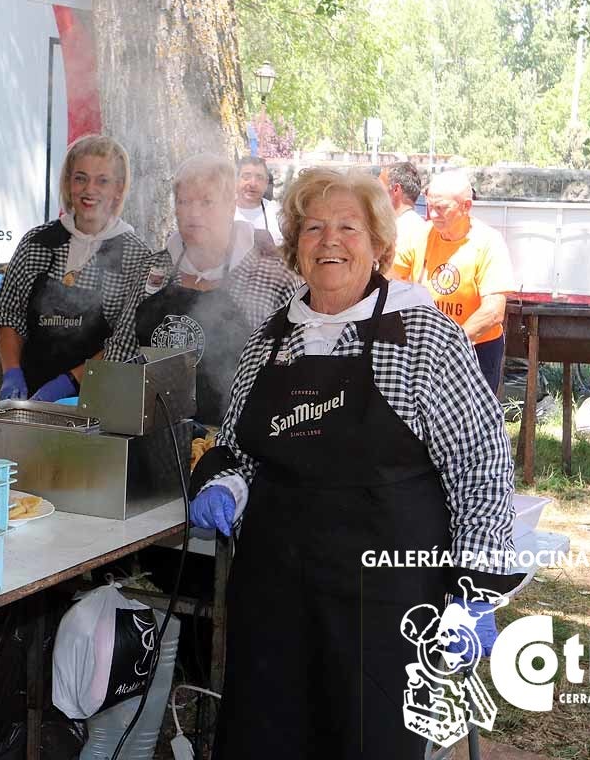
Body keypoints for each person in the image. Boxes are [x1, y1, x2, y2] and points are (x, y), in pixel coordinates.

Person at [188, 168, 520, 758]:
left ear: (379, 246)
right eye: (313, 228)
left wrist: (476, 589)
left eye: (348, 227)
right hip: (275, 599)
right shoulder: (271, 339)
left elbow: (480, 465)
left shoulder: (423, 335)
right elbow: (239, 446)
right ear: (294, 247)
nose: (330, 240)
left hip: (385, 606)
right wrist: (226, 481)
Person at [105, 154, 299, 427]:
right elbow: (120, 356)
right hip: (152, 436)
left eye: (206, 202)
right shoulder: (154, 269)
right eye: (184, 202)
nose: (193, 213)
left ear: (231, 206)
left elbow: (290, 378)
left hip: (238, 443)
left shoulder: (273, 278)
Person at [0, 135, 152, 402]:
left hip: (97, 398)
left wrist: (70, 383)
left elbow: (126, 342)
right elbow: (8, 314)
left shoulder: (136, 256)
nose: (90, 190)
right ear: (67, 183)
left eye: (103, 181)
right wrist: (12, 373)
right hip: (26, 395)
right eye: (80, 178)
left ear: (119, 189)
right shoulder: (36, 243)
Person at [390, 169, 515, 394]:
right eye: (429, 206)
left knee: (473, 423)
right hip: (425, 346)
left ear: (466, 206)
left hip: (476, 349)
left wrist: (451, 343)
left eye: (441, 208)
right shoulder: (420, 235)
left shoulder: (488, 242)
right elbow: (390, 280)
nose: (433, 214)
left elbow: (494, 312)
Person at [233, 156, 282, 245]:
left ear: (266, 183)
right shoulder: (223, 211)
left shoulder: (276, 212)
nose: (253, 183)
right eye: (246, 177)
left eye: (259, 178)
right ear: (236, 180)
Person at [379, 160, 428, 240]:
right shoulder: (420, 227)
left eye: (379, 187)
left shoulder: (402, 232)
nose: (376, 193)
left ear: (396, 189)